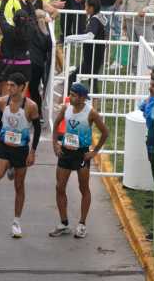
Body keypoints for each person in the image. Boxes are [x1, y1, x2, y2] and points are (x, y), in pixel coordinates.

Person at [50, 83, 110, 239]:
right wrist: (55, 144)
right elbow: (56, 124)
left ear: (83, 98)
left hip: (81, 154)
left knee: (83, 188)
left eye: (74, 95)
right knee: (59, 187)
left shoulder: (91, 113)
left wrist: (94, 152)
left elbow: (105, 132)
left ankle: (82, 224)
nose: (71, 97)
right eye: (70, 93)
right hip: (65, 152)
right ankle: (64, 223)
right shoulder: (66, 108)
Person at [0, 73, 42, 239]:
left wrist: (32, 152)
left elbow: (37, 128)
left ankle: (16, 222)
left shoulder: (30, 106)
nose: (9, 88)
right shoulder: (2, 101)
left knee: (19, 186)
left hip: (21, 150)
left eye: (12, 85)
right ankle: (8, 166)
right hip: (4, 146)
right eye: (8, 85)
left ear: (21, 87)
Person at [66, 0, 108, 89]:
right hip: (96, 56)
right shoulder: (99, 16)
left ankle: (68, 100)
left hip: (92, 58)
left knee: (72, 78)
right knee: (92, 81)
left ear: (91, 8)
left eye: (86, 6)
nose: (85, 8)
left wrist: (71, 38)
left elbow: (90, 35)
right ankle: (94, 101)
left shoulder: (94, 20)